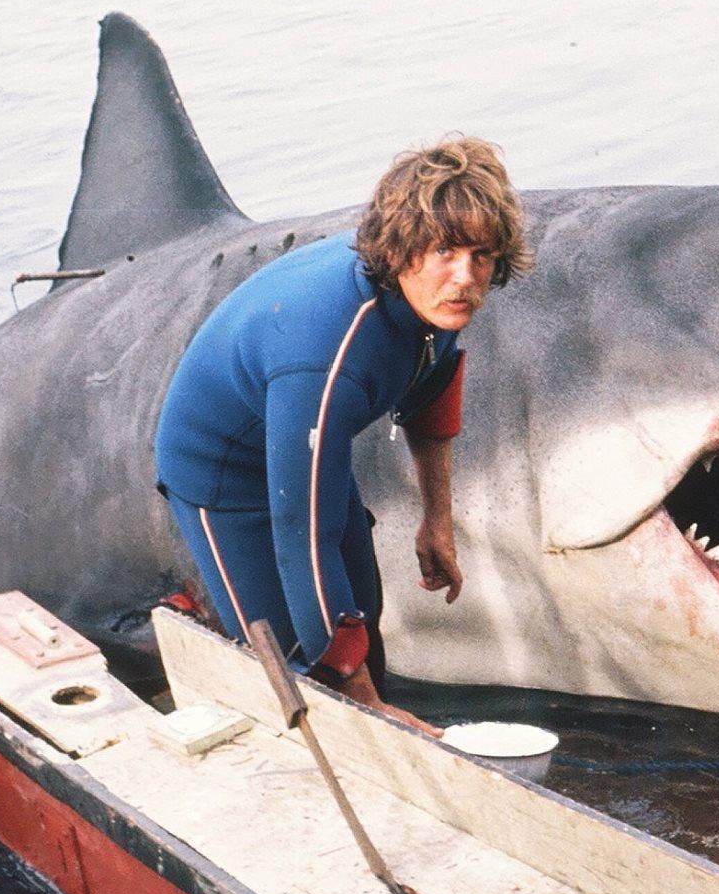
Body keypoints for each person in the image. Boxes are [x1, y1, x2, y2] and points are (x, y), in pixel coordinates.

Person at [153, 137, 530, 717]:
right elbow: (304, 539)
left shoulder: (435, 303)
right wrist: (359, 697)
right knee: (294, 663)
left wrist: (437, 522)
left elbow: (432, 391)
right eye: (446, 254)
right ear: (403, 251)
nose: (465, 278)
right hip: (221, 471)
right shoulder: (329, 357)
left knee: (360, 608)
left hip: (300, 437)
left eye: (480, 256)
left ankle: (374, 727)